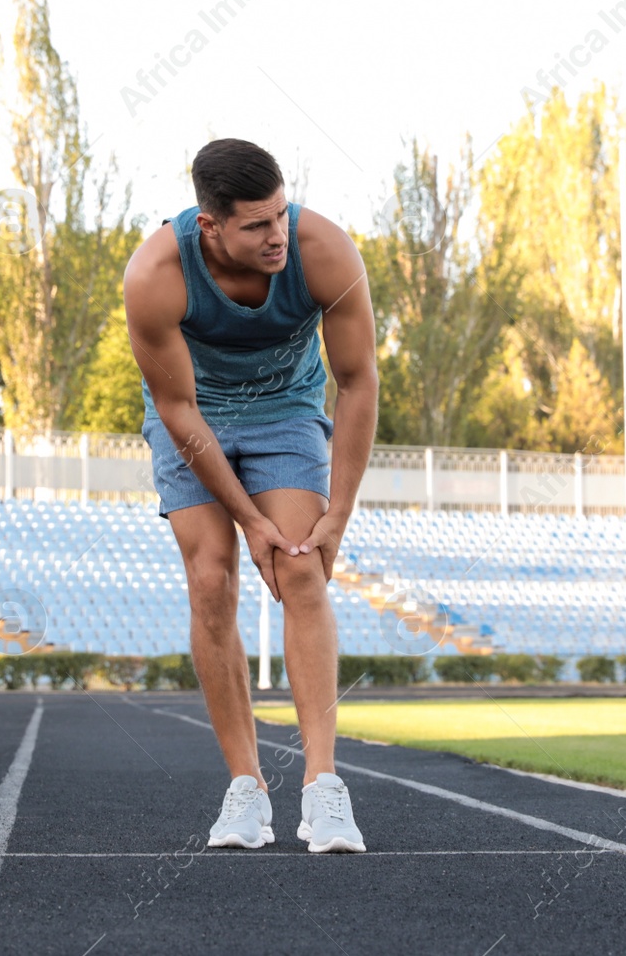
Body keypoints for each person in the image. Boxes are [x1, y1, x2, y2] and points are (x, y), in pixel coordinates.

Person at [123, 138, 378, 853]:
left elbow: (358, 382)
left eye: (281, 215)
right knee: (212, 580)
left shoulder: (323, 250)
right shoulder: (155, 275)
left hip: (286, 411)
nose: (278, 235)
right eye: (257, 225)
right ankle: (246, 786)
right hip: (194, 415)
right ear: (210, 226)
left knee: (300, 565)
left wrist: (336, 515)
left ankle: (324, 785)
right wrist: (248, 518)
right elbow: (178, 410)